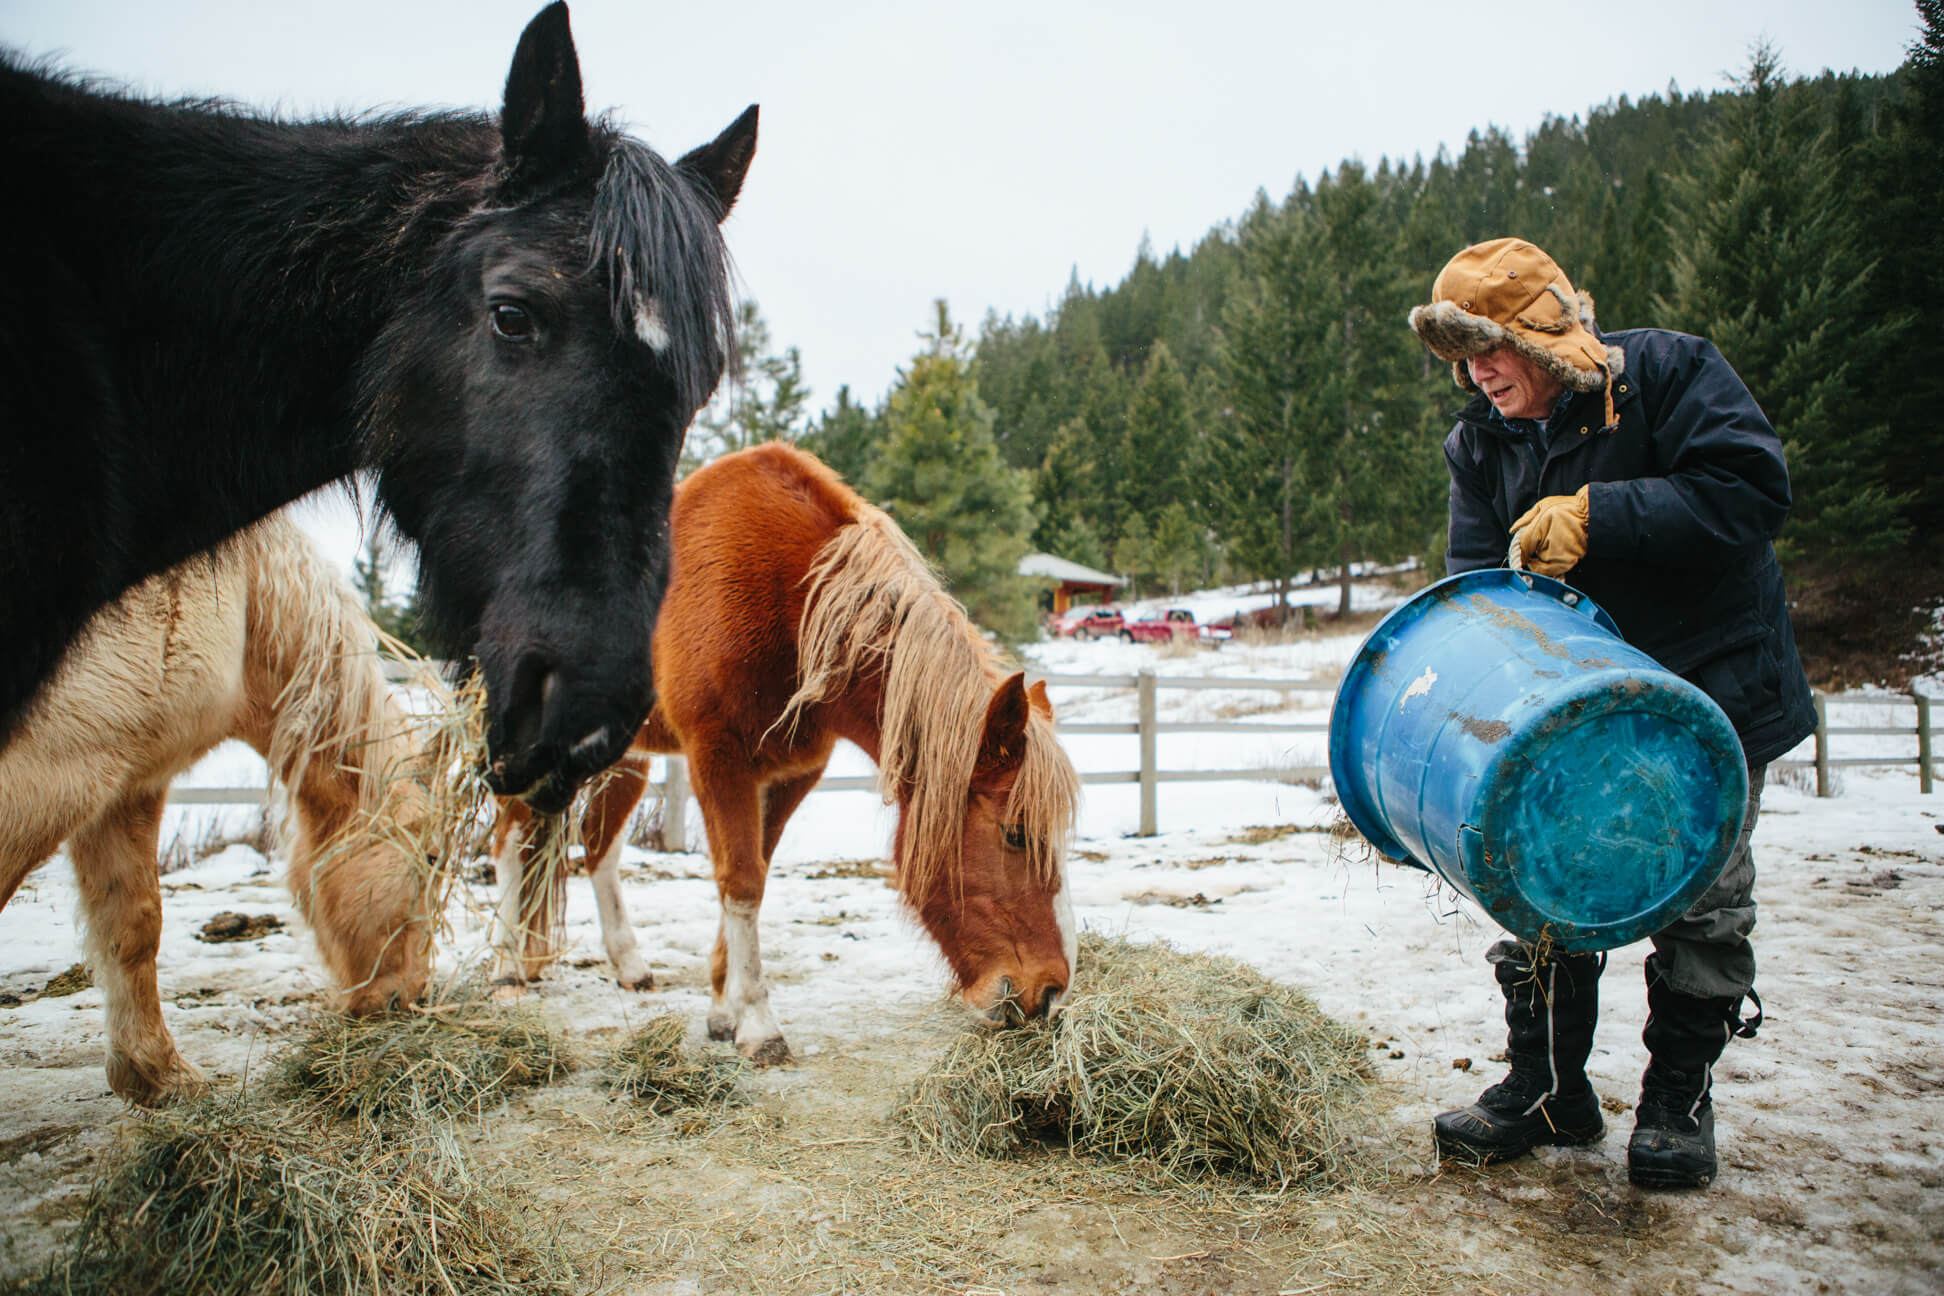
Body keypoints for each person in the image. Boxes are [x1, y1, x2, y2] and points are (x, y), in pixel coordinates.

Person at [1406, 237, 1816, 1190]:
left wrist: (1599, 514)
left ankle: (1677, 1101)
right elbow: (1480, 585)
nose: (1476, 374)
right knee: (1542, 886)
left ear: (1544, 334)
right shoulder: (1478, 440)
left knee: (1701, 898)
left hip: (1707, 691)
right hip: (1569, 712)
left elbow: (1753, 491)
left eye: (1491, 349)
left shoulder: (1670, 373)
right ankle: (1549, 1088)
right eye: (1460, 357)